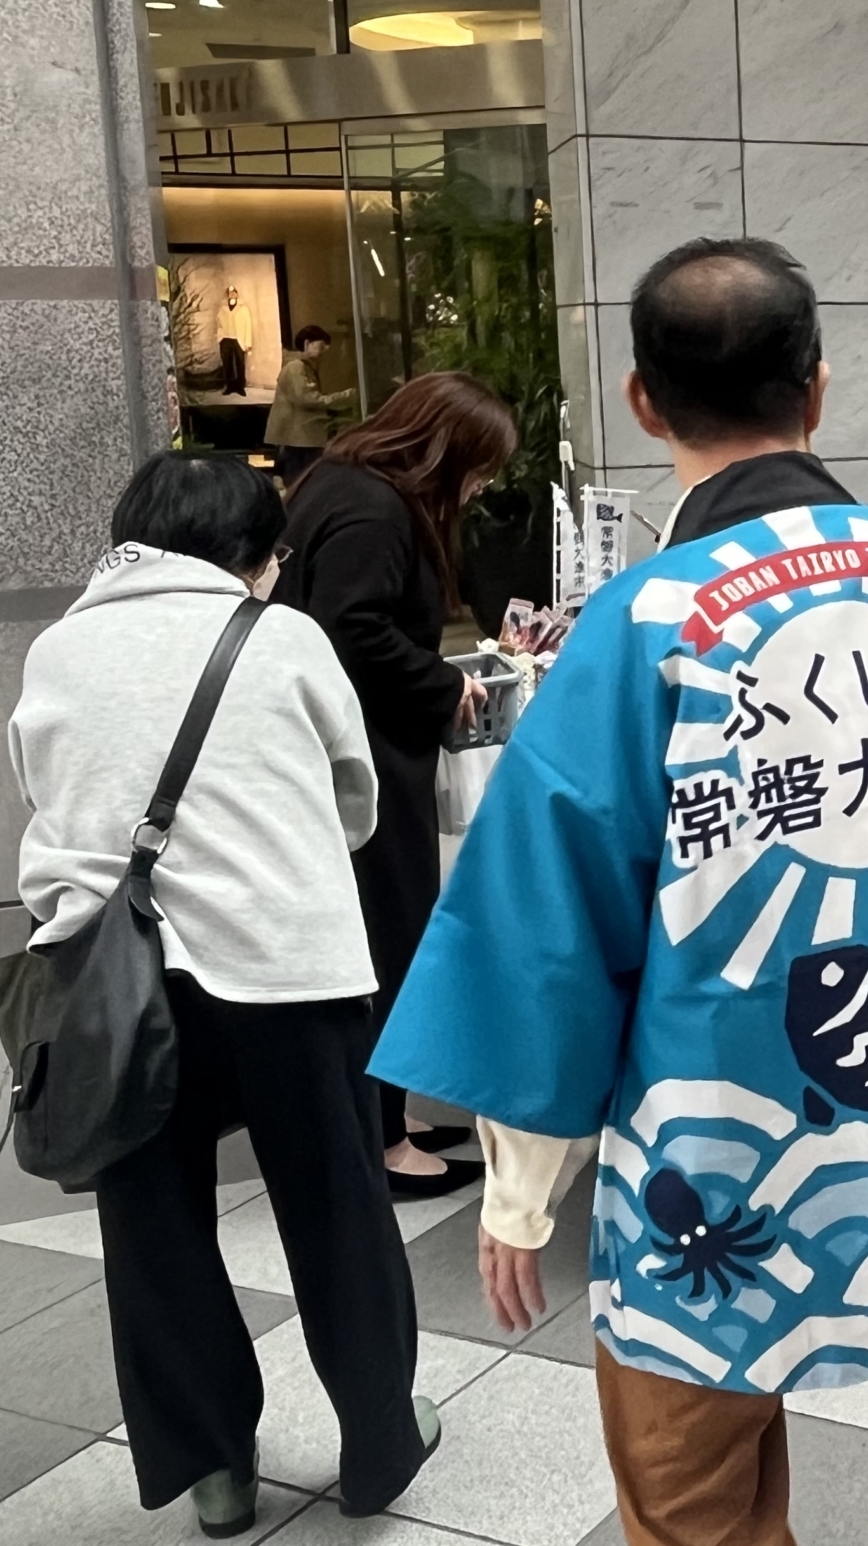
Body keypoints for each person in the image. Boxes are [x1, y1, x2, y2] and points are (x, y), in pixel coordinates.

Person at [372, 237, 868, 1546]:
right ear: (818, 388)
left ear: (642, 401)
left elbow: (547, 933)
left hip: (709, 1124)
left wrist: (518, 1190)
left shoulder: (639, 625)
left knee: (684, 1425)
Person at [9, 454, 438, 1536]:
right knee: (337, 1209)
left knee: (152, 1230)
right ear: (251, 553)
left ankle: (214, 1468)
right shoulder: (283, 637)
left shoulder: (56, 648)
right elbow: (354, 799)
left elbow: (45, 788)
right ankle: (380, 1439)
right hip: (283, 966)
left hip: (112, 982)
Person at [276, 370, 517, 1197]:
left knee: (375, 932)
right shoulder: (376, 510)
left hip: (333, 751)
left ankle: (386, 1119)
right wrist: (443, 683)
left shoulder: (337, 483)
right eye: (480, 469)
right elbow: (353, 629)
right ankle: (381, 1141)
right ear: (445, 451)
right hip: (364, 758)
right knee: (385, 933)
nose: (480, 488)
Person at [267, 325, 352, 484]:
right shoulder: (296, 367)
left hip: (303, 436)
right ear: (307, 343)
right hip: (299, 438)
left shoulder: (303, 366)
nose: (323, 352)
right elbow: (307, 398)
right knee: (300, 481)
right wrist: (346, 396)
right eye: (321, 346)